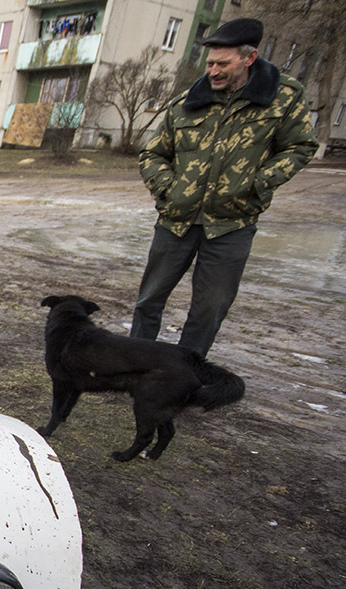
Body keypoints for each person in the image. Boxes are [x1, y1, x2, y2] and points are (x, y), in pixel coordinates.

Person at [132, 18, 317, 356]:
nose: (213, 71)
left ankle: (184, 374)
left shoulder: (282, 98)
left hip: (232, 224)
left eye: (222, 63)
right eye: (210, 63)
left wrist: (257, 184)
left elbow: (300, 146)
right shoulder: (187, 102)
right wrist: (168, 190)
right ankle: (135, 365)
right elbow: (153, 153)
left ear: (249, 58)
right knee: (148, 300)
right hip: (176, 220)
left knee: (208, 309)